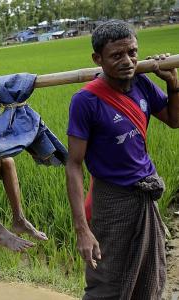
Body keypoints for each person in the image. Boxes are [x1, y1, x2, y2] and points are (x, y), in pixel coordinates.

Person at [66, 20, 178, 299]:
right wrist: (82, 228)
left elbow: (175, 120)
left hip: (144, 196)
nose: (127, 61)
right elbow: (74, 164)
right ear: (97, 59)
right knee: (106, 282)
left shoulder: (142, 84)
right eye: (117, 55)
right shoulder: (86, 101)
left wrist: (174, 83)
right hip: (110, 202)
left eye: (132, 52)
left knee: (148, 275)